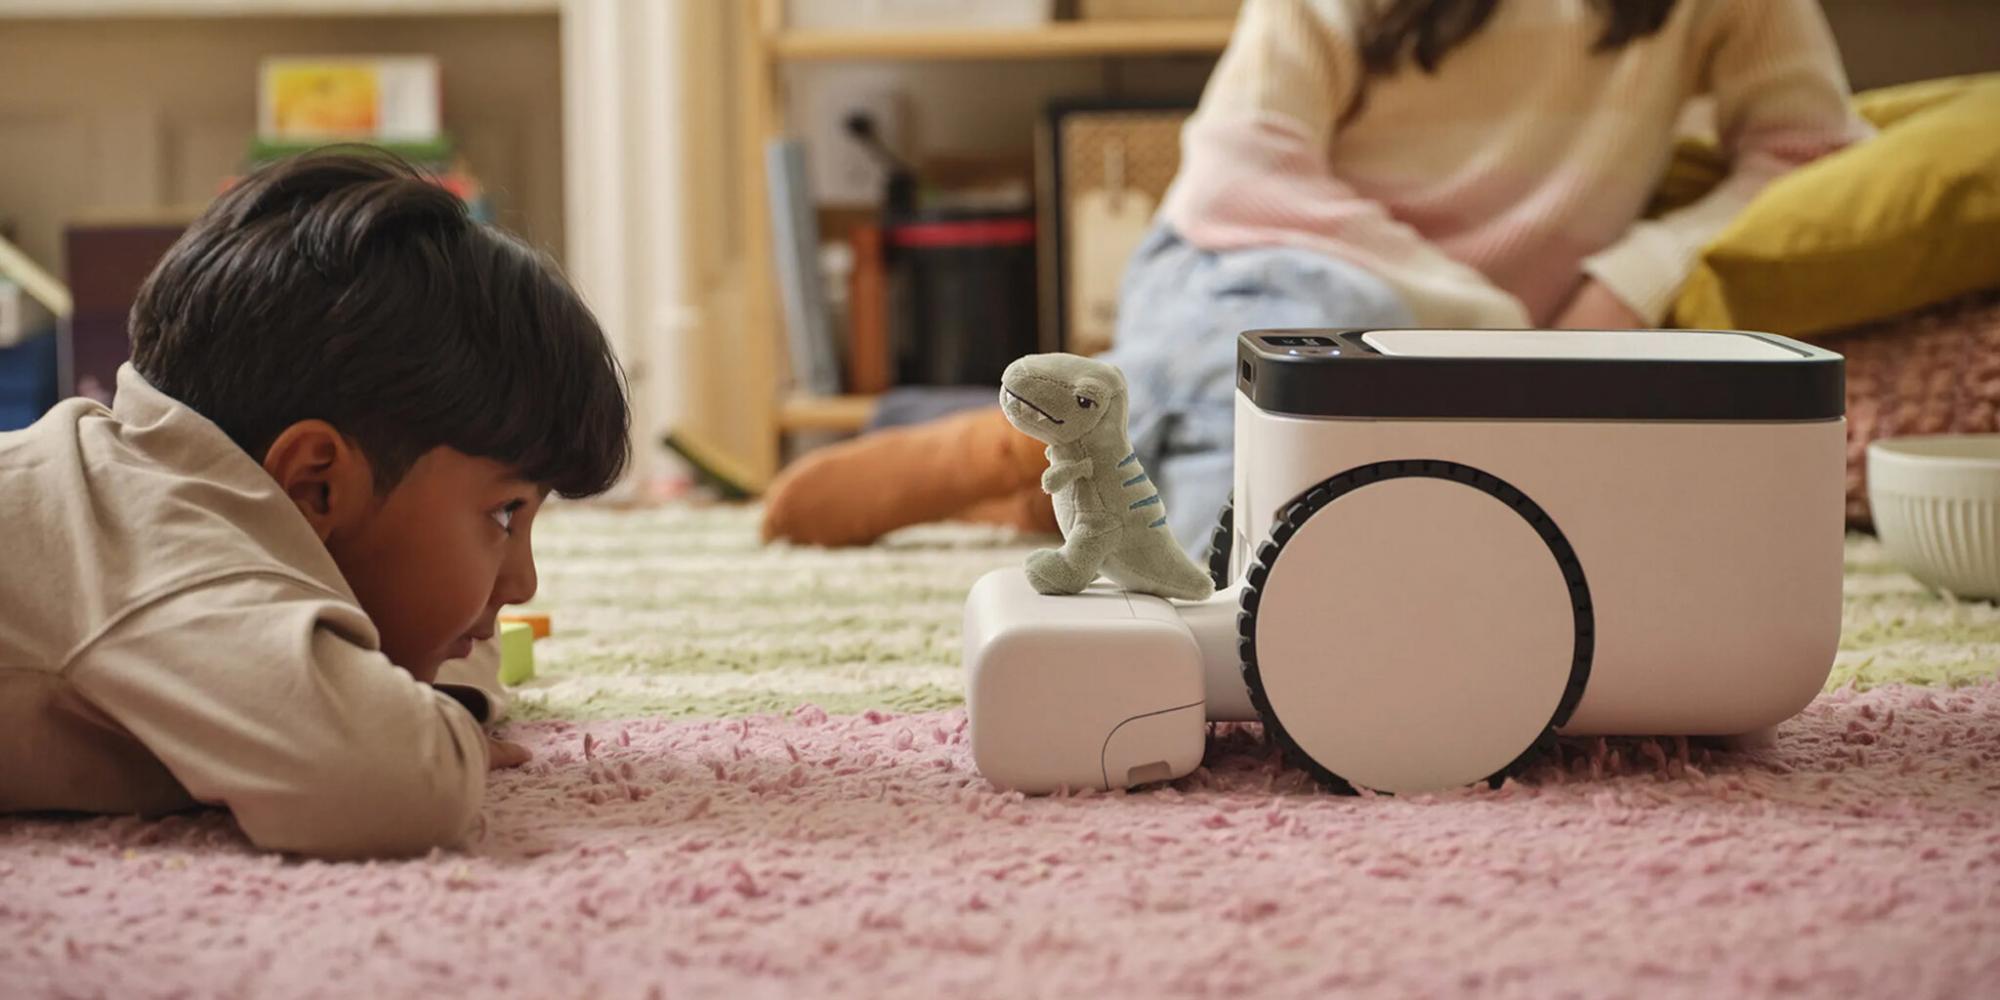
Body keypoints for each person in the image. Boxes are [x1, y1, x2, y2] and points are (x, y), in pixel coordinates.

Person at [762, 0, 1868, 555]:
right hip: (1248, 265)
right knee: (1293, 463)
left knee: (1420, 505)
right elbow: (1246, 175)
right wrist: (1484, 319)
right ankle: (1069, 460)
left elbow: (1810, 157)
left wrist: (1630, 279)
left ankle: (1055, 445)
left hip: (1462, 351)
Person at [0, 152, 630, 857]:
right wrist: (416, 725)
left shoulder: (154, 481)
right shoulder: (171, 556)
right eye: (505, 515)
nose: (523, 583)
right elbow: (388, 787)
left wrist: (419, 688)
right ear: (316, 484)